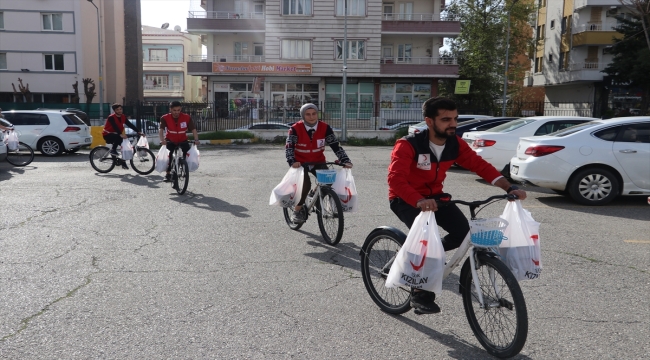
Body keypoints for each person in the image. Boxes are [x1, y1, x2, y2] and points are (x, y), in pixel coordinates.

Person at [388, 97, 527, 315]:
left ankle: (419, 256)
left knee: (464, 234)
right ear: (429, 121)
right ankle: (419, 293)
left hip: (437, 197)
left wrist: (509, 187)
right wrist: (418, 200)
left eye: (455, 118)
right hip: (406, 199)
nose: (452, 124)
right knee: (427, 240)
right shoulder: (408, 145)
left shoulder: (455, 144)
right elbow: (396, 180)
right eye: (445, 119)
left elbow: (480, 166)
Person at [285, 103, 353, 222]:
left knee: (330, 180)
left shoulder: (325, 128)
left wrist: (345, 160)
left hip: (318, 161)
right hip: (300, 163)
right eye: (308, 114)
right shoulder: (295, 129)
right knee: (305, 185)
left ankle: (314, 194)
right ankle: (297, 210)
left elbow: (335, 146)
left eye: (314, 114)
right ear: (303, 116)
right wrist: (292, 161)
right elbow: (289, 147)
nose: (311, 117)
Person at [159, 101, 200, 184]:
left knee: (188, 154)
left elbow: (193, 129)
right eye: (174, 110)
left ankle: (183, 166)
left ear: (181, 109)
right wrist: (162, 140)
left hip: (183, 139)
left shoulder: (186, 117)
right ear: (170, 109)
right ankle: (168, 173)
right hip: (170, 140)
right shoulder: (165, 118)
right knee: (169, 156)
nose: (177, 112)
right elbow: (161, 129)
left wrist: (196, 139)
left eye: (178, 110)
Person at [102, 103, 143, 169]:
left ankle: (123, 162)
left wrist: (138, 131)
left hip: (117, 134)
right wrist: (121, 134)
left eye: (120, 109)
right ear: (114, 110)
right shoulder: (111, 117)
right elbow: (115, 127)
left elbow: (130, 125)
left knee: (125, 147)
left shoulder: (123, 117)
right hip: (108, 135)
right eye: (117, 109)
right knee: (118, 136)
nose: (119, 111)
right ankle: (113, 150)